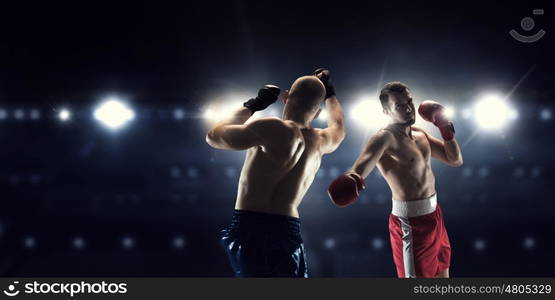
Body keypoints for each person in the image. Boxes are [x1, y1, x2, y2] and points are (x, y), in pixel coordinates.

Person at [206, 69, 345, 277]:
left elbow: (214, 136)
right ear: (317, 111)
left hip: (250, 224)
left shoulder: (270, 128)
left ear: (286, 97)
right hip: (288, 228)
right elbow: (338, 126)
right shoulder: (322, 141)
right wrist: (331, 94)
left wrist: (254, 105)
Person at [328, 82, 463, 278]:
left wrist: (445, 129)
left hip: (435, 216)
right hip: (410, 223)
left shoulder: (420, 134)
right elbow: (360, 167)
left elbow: (455, 159)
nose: (408, 108)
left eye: (409, 101)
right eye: (400, 105)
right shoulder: (384, 138)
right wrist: (352, 180)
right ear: (386, 111)